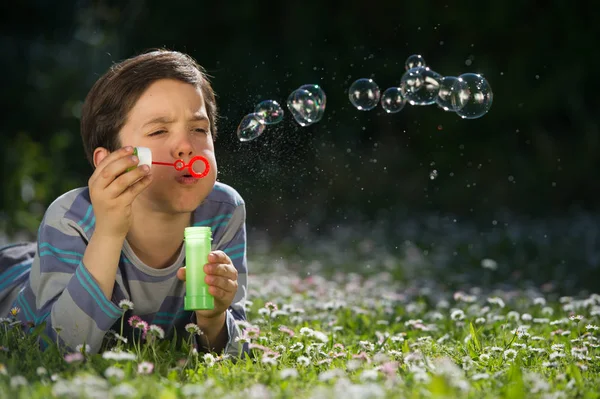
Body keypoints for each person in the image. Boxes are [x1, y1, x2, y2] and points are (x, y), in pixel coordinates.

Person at [0, 49, 248, 357]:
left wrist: (214, 318)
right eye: (159, 130)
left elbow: (234, 349)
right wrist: (108, 232)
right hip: (10, 285)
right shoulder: (71, 218)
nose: (186, 146)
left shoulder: (223, 210)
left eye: (199, 129)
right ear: (109, 162)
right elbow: (57, 348)